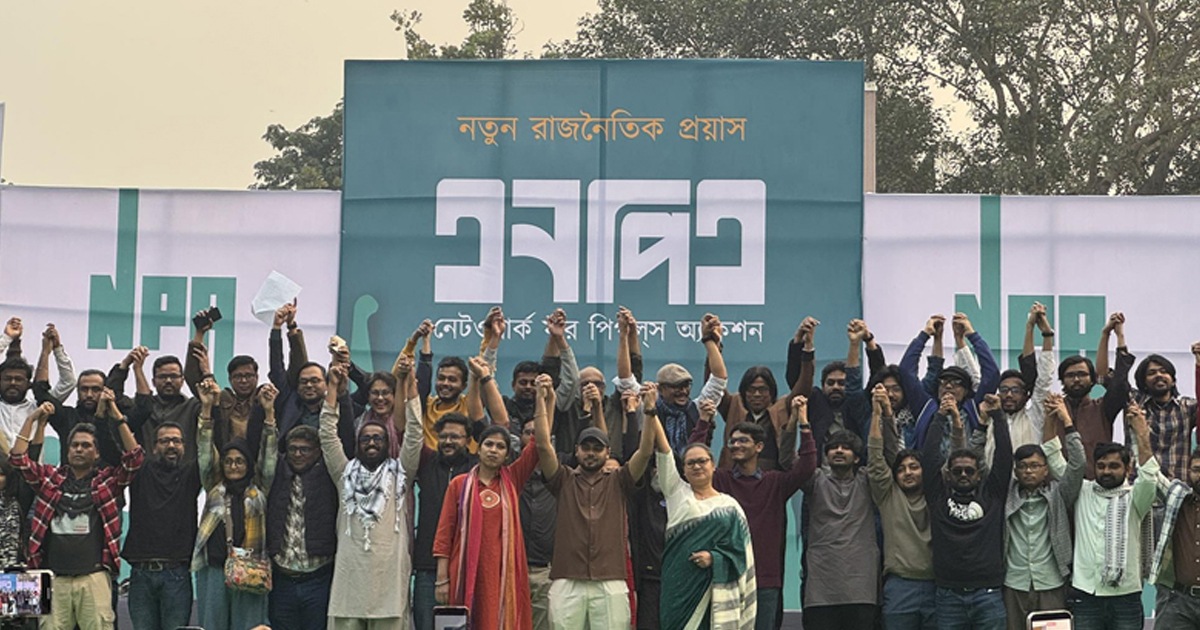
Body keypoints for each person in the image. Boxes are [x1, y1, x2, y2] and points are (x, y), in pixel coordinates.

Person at [11, 389, 143, 630]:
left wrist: (116, 414)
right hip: (50, 577)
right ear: (67, 449)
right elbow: (18, 458)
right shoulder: (50, 479)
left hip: (93, 576)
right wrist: (33, 418)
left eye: (86, 445)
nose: (79, 449)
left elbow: (134, 459)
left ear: (97, 453)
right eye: (74, 445)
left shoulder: (107, 482)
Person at [432, 373, 551, 629]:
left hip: (504, 573)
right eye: (489, 444)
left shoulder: (512, 480)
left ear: (507, 455)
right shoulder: (460, 484)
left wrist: (544, 400)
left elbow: (538, 444)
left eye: (500, 447)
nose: (493, 450)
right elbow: (444, 534)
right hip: (466, 572)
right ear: (479, 448)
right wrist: (442, 579)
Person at [541, 374, 657, 630]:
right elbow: (543, 446)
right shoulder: (563, 479)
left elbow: (645, 451)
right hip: (567, 579)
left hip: (610, 580)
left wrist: (649, 412)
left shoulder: (620, 480)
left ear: (608, 452)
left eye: (597, 448)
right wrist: (543, 400)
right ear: (577, 451)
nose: (591, 453)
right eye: (586, 448)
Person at [321, 360, 418, 629]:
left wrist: (410, 386)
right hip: (349, 585)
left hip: (389, 586)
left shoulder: (401, 474)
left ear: (388, 444)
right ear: (357, 444)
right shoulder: (344, 474)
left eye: (378, 438)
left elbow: (414, 435)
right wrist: (332, 388)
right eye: (366, 438)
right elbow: (327, 435)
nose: (372, 442)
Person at [651, 387, 757, 629]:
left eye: (702, 461)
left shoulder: (729, 506)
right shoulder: (677, 493)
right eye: (690, 463)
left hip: (715, 591)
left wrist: (715, 558)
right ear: (684, 469)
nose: (697, 466)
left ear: (713, 465)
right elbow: (664, 451)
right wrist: (651, 413)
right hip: (679, 589)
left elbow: (741, 554)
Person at [709, 396, 817, 630]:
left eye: (743, 441)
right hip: (728, 575)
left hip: (765, 579)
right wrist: (704, 421)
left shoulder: (775, 483)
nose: (735, 445)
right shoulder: (720, 480)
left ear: (759, 447)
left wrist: (803, 422)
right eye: (732, 441)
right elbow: (691, 461)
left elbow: (807, 466)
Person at [192, 380, 278, 630]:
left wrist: (269, 413)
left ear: (248, 465)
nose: (233, 466)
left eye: (239, 461)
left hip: (252, 569)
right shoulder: (214, 487)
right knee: (213, 626)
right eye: (228, 461)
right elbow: (205, 452)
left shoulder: (259, 489)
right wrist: (206, 409)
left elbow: (269, 455)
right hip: (215, 569)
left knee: (250, 627)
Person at [923, 392, 1011, 630]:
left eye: (969, 471)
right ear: (948, 474)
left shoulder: (993, 494)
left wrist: (998, 415)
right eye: (957, 471)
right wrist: (940, 416)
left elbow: (1004, 457)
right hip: (948, 595)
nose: (963, 474)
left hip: (988, 593)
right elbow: (929, 457)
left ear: (979, 475)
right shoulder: (938, 496)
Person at [1068, 401, 1158, 629]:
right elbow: (1057, 463)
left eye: (1114, 466)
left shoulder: (1136, 497)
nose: (1106, 471)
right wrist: (1058, 419)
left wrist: (1142, 434)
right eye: (1101, 466)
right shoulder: (1082, 491)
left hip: (1126, 596)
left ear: (1128, 469)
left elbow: (1149, 476)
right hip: (1086, 594)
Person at [1003, 393, 1085, 630]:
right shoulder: (1006, 495)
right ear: (1016, 471)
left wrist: (1067, 423)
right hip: (1014, 583)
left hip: (1051, 582)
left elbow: (1078, 464)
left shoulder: (1059, 494)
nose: (1029, 471)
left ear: (1046, 469)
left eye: (1035, 466)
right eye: (1023, 467)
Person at [123, 415, 204, 630]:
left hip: (176, 573)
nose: (171, 445)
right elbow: (131, 450)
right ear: (154, 447)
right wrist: (118, 418)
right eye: (164, 441)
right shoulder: (140, 473)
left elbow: (208, 451)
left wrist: (206, 410)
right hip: (141, 574)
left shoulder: (191, 476)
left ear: (184, 447)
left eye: (177, 441)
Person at [867, 383, 936, 630]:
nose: (907, 472)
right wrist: (879, 413)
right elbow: (876, 458)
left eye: (914, 467)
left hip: (937, 585)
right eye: (902, 469)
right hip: (899, 586)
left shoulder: (936, 495)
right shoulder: (888, 496)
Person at [801, 427, 879, 629]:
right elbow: (787, 461)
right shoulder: (815, 480)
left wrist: (883, 417)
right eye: (833, 447)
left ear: (857, 458)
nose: (839, 451)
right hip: (820, 590)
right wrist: (799, 426)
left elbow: (881, 461)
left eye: (846, 448)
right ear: (826, 455)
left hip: (861, 590)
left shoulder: (866, 481)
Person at [266, 421, 339, 630]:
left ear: (317, 452)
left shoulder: (330, 478)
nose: (297, 454)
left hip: (318, 579)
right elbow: (263, 449)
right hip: (282, 579)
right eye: (293, 449)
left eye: (304, 450)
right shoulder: (275, 475)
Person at [901, 313, 999, 454]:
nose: (948, 386)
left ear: (966, 391)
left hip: (968, 467)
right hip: (930, 467)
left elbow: (992, 373)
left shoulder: (974, 408)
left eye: (956, 383)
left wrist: (972, 335)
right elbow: (906, 372)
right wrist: (925, 335)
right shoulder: (926, 407)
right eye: (943, 382)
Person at [1057, 312, 1133, 478]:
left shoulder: (1102, 408)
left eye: (1082, 374)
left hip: (1097, 485)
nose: (1076, 379)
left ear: (1093, 380)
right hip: (1060, 487)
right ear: (1062, 381)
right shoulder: (1054, 409)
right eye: (1070, 375)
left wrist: (1117, 336)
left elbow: (1120, 384)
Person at [639, 314, 727, 456]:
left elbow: (719, 378)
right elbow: (626, 379)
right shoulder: (648, 409)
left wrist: (709, 340)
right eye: (676, 387)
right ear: (660, 388)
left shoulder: (698, 408)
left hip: (693, 468)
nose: (683, 391)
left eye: (686, 386)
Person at [0, 320, 75, 449]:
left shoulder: (39, 406)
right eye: (7, 379)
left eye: (18, 379)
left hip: (31, 462)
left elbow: (68, 382)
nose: (13, 383)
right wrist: (6, 338)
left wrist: (57, 349)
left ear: (28, 384)